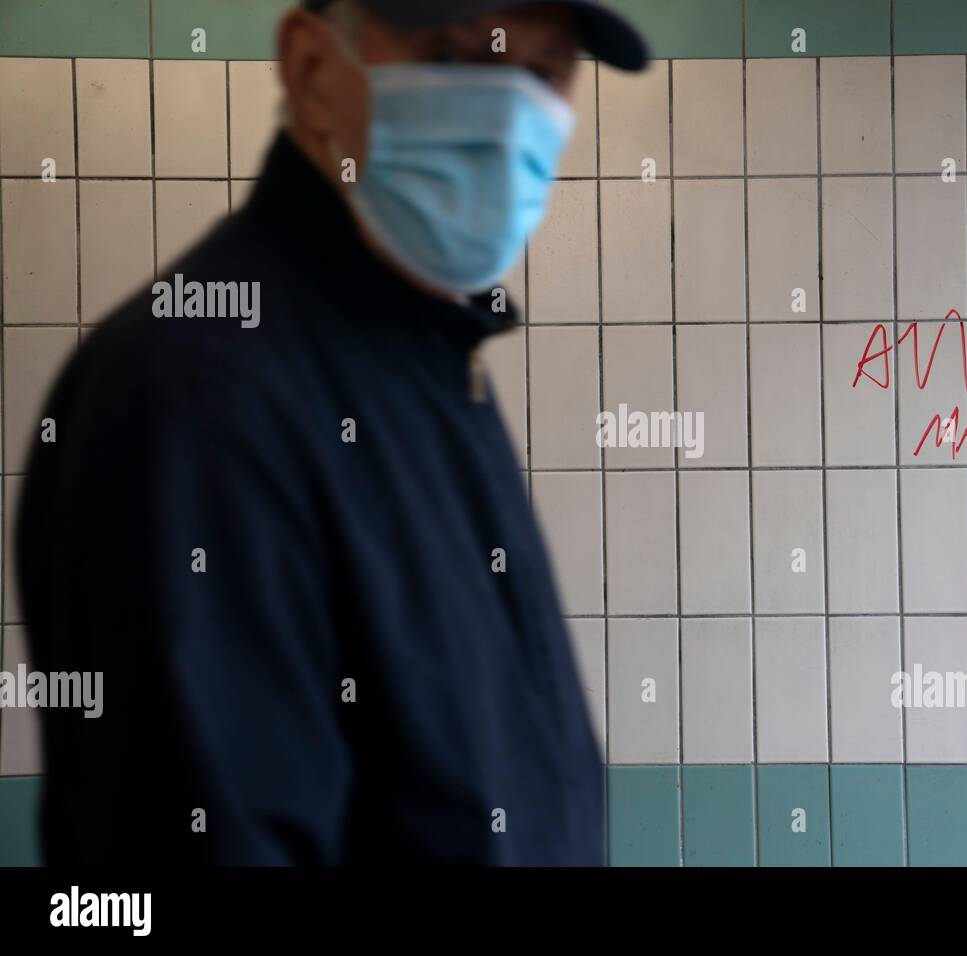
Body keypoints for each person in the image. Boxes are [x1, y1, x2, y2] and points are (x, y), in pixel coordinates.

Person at [17, 0, 647, 865]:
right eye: (455, 60)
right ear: (314, 71)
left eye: (539, 74)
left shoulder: (429, 357)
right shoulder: (203, 400)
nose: (505, 119)